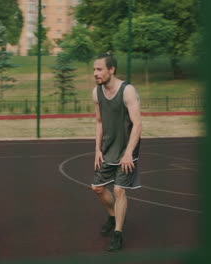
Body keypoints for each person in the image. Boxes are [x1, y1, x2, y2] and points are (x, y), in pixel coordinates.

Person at [91, 52, 142, 252]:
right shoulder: (96, 93)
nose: (95, 73)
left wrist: (129, 152)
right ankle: (114, 216)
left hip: (127, 148)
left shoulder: (128, 91)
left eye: (99, 69)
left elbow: (137, 124)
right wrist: (97, 149)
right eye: (94, 69)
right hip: (107, 148)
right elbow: (99, 122)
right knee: (97, 188)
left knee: (120, 190)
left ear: (111, 70)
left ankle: (118, 234)